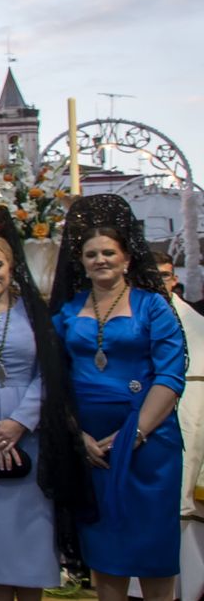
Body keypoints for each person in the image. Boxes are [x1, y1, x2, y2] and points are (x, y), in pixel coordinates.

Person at [0, 203, 93, 601]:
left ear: (11, 267)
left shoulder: (35, 315)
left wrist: (19, 423)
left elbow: (49, 372)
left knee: (32, 535)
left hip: (31, 429)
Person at [49, 195, 185, 601]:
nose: (100, 259)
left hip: (149, 447)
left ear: (127, 259)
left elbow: (170, 376)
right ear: (82, 262)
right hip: (93, 451)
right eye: (92, 254)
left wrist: (135, 434)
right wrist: (77, 435)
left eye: (109, 252)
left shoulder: (154, 307)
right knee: (106, 561)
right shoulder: (68, 312)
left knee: (154, 556)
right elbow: (56, 381)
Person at [151, 249, 204, 599]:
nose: (161, 284)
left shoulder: (198, 326)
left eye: (166, 276)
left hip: (190, 432)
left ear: (175, 279)